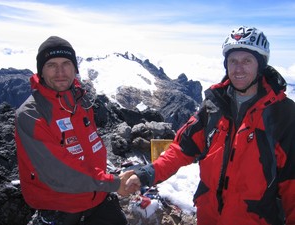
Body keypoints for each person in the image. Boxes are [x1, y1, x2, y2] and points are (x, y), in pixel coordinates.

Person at [126, 26, 295, 224]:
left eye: (247, 61)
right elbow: (181, 148)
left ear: (261, 65)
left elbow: (292, 183)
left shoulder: (284, 114)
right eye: (233, 61)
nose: (238, 68)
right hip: (209, 217)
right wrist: (147, 174)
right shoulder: (213, 106)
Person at [15, 36, 134, 225]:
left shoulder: (81, 100)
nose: (60, 72)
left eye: (66, 63)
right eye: (51, 65)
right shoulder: (32, 115)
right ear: (41, 71)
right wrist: (113, 182)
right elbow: (59, 172)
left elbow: (88, 147)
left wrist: (106, 181)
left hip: (98, 195)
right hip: (61, 205)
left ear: (75, 68)